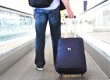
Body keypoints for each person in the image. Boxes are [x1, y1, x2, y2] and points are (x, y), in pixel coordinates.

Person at [34, 0, 74, 71]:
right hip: (53, 9)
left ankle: (39, 64)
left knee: (39, 38)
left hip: (38, 9)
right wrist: (68, 9)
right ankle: (57, 62)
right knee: (56, 38)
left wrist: (34, 9)